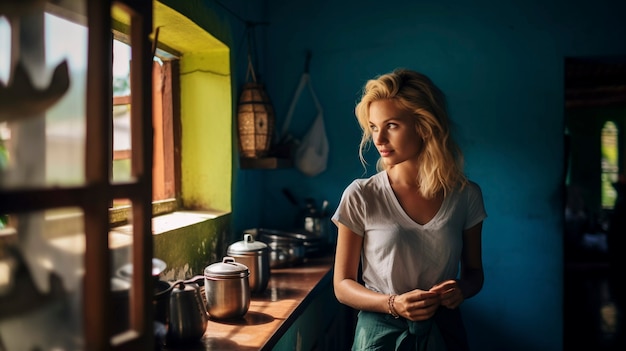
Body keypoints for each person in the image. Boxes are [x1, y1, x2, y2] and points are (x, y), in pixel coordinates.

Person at [331, 68, 487, 351]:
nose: (378, 139)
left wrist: (461, 290)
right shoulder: (362, 195)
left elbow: (475, 273)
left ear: (424, 125)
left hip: (444, 333)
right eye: (374, 127)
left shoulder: (466, 195)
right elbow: (342, 284)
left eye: (391, 125)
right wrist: (393, 304)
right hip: (377, 337)